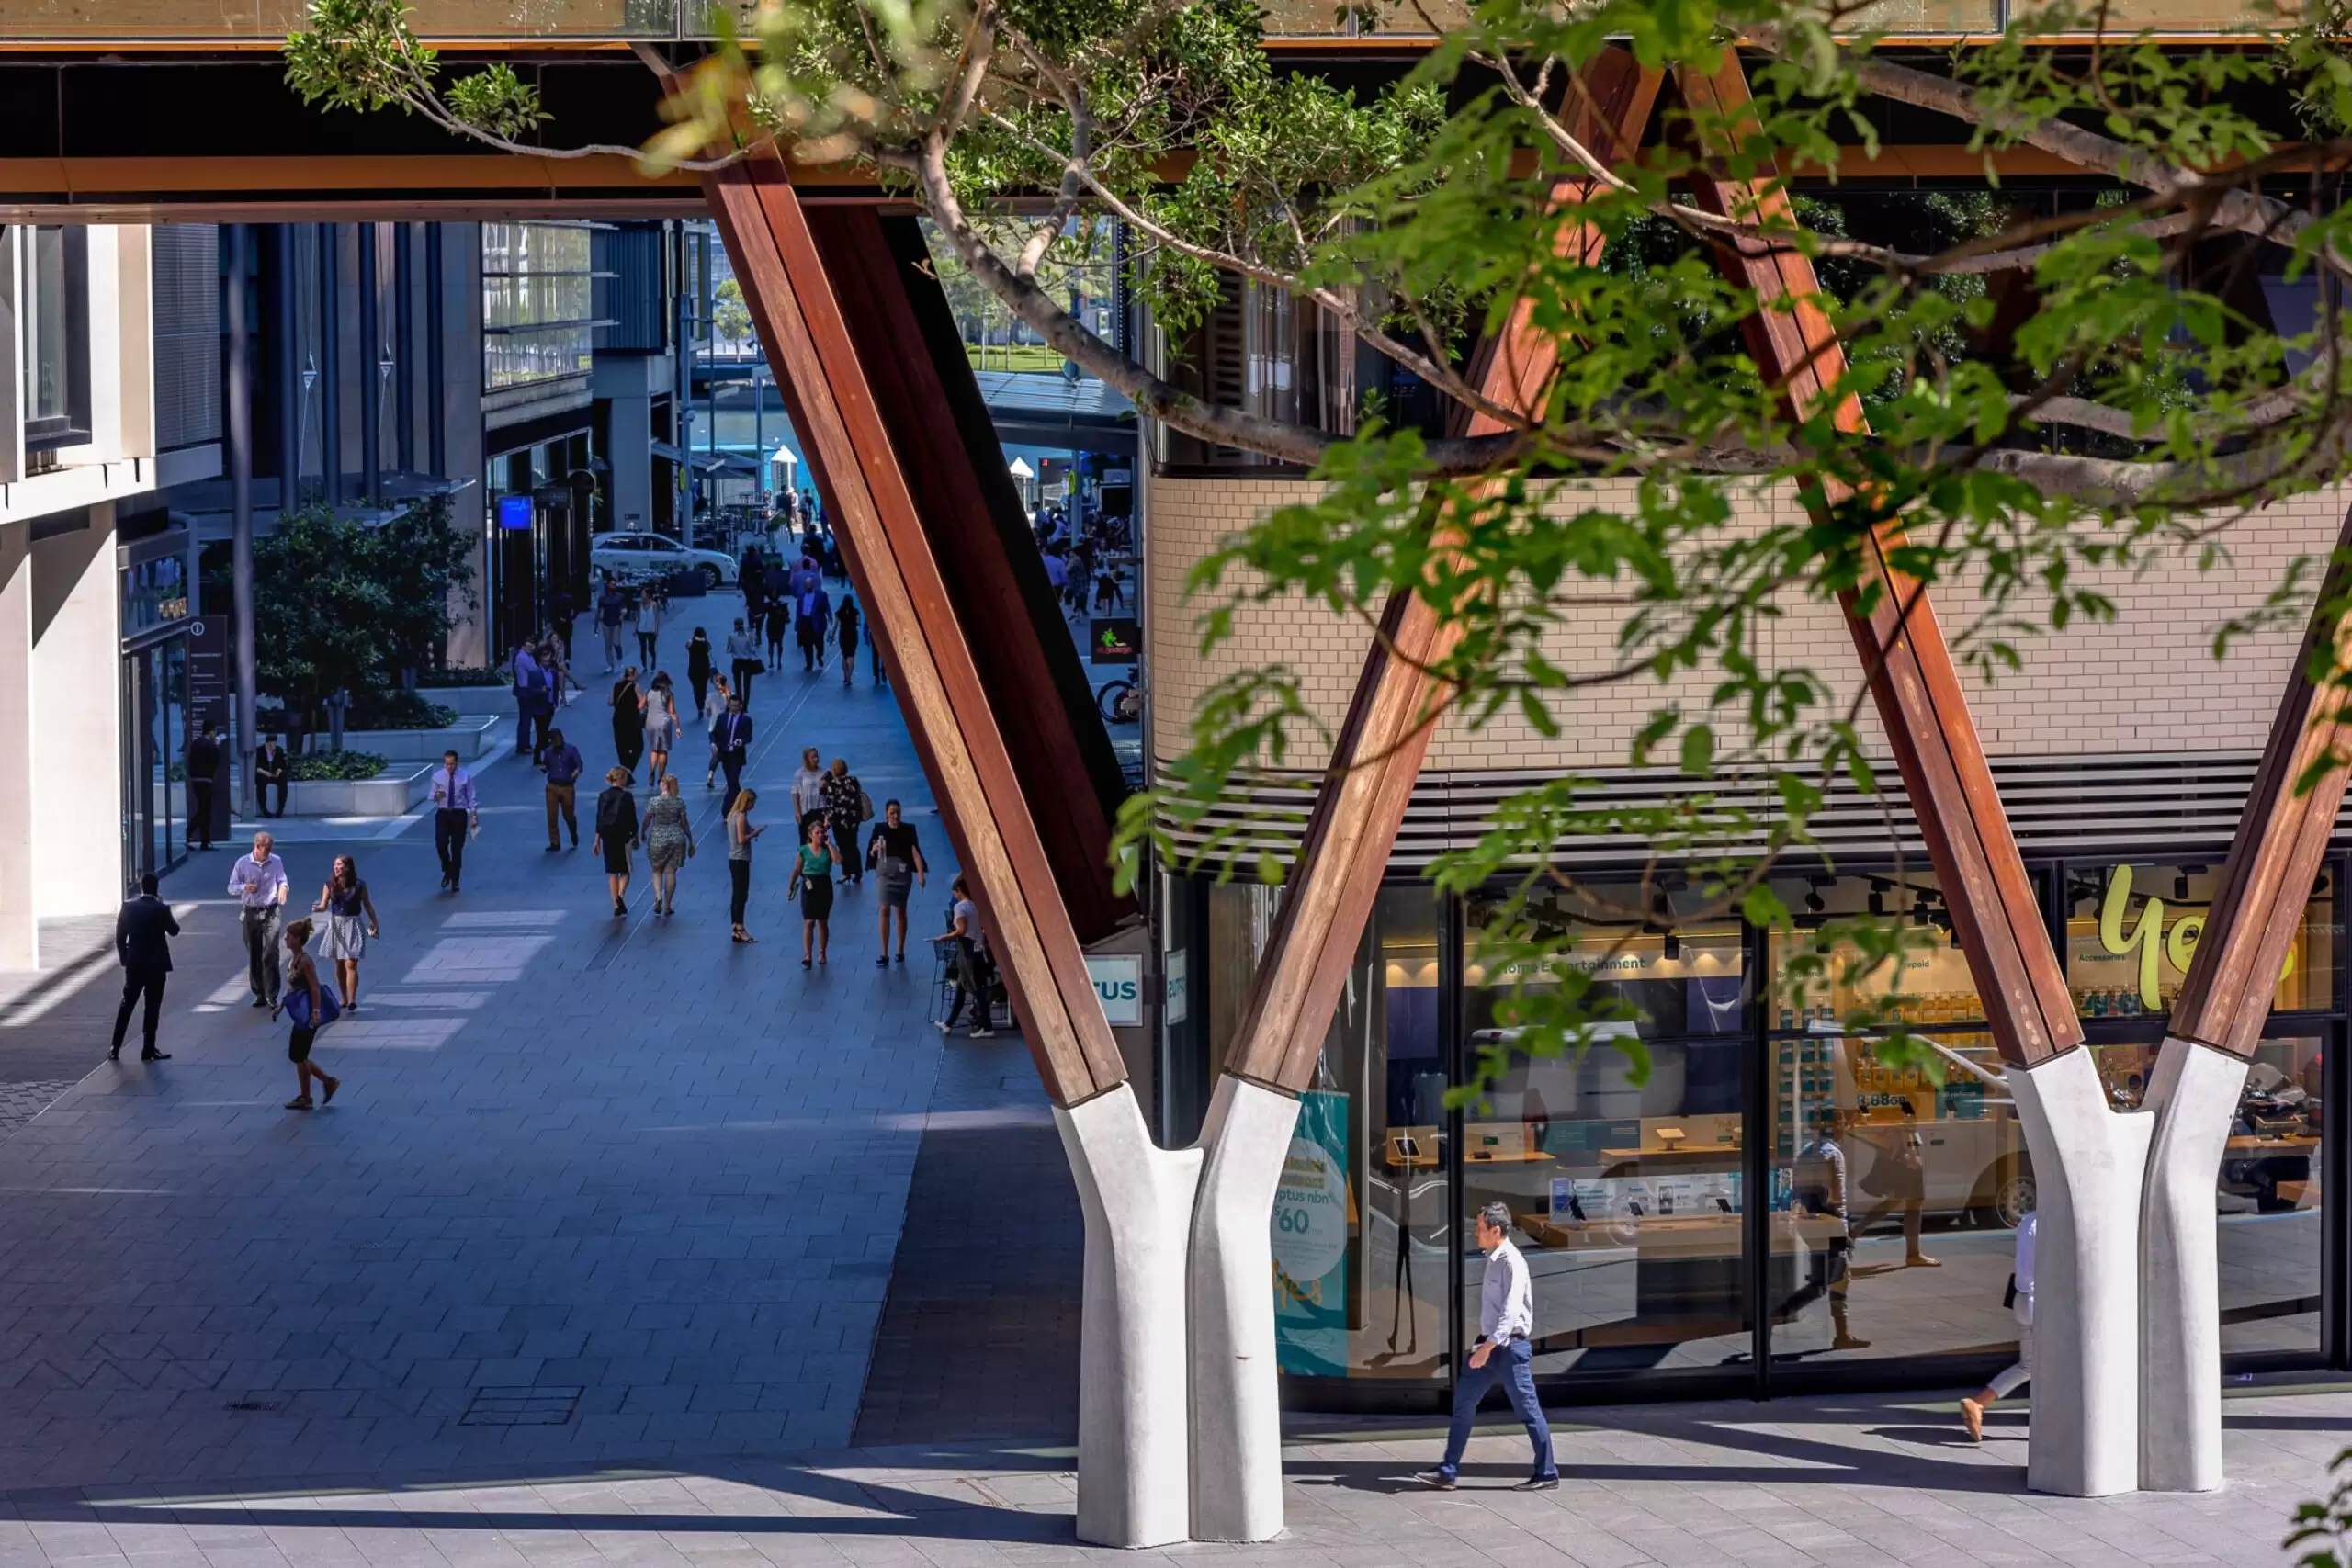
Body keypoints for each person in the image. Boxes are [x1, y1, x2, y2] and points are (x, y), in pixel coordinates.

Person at [1418, 1202, 1558, 1491]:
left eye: (1479, 1228)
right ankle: (1448, 1470)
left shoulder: (1512, 1262)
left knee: (1528, 1411)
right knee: (1463, 1404)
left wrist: (1486, 1348)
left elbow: (1510, 1313)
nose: (1475, 1233)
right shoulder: (1493, 1258)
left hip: (1509, 1348)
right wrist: (1484, 1346)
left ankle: (1547, 1473)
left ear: (1496, 1231)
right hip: (1489, 1345)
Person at [1791, 1104, 1870, 1351]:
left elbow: (1797, 1189)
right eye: (1841, 1122)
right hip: (1832, 1223)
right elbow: (1834, 1196)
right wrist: (1843, 1230)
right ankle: (1776, 1315)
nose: (1844, 1127)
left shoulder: (1804, 1153)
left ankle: (1842, 1333)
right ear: (1833, 1126)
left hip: (1810, 1223)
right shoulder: (1833, 1155)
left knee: (1829, 1278)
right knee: (1832, 1280)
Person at [1961, 1208, 2037, 1442]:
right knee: (2065, 1366)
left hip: (2023, 1297)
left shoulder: (2030, 1220)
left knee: (2030, 1366)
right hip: (2042, 1303)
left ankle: (1978, 1403)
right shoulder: (2056, 1222)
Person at [1853, 1102, 1939, 1269]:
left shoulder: (1895, 1107)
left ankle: (1854, 1233)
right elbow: (1905, 1131)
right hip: (1904, 1159)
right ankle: (1913, 1254)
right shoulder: (1902, 1105)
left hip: (1899, 1156)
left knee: (1899, 1201)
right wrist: (1913, 1154)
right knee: (1911, 1202)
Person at [274, 918, 341, 1111]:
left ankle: (311, 1093)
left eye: (289, 936)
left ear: (297, 939)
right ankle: (321, 1086)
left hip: (308, 1016)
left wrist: (316, 1012)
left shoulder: (305, 961)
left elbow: (314, 989)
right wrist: (281, 1006)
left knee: (299, 1055)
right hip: (301, 1014)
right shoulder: (293, 960)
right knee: (298, 1055)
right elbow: (292, 987)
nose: (285, 938)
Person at [110, 872, 178, 1063]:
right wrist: (164, 906)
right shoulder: (161, 909)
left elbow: (120, 938)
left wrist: (126, 959)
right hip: (156, 966)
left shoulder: (128, 908)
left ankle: (114, 1047)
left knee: (127, 1005)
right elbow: (174, 931)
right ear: (156, 889)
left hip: (135, 965)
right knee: (152, 1007)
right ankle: (148, 1049)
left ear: (141, 888)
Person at [311, 853, 379, 1012]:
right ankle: (343, 996)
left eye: (340, 865)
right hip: (337, 923)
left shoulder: (360, 886)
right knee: (340, 962)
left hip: (353, 923)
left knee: (352, 962)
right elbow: (323, 904)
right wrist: (318, 908)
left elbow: (368, 905)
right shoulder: (329, 885)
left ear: (348, 868)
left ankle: (352, 999)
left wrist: (375, 922)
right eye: (335, 865)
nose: (336, 868)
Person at [228, 830, 288, 1008]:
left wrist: (283, 888)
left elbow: (282, 879)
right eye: (266, 849)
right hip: (251, 912)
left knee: (271, 952)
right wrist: (244, 887)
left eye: (270, 849)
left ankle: (272, 994)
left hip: (271, 911)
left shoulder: (276, 861)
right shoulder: (243, 863)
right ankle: (259, 993)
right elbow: (231, 886)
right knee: (254, 952)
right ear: (257, 847)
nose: (268, 853)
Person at [865, 800, 927, 965]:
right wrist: (874, 850)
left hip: (902, 875)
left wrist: (920, 874)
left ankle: (900, 949)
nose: (895, 816)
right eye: (892, 812)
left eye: (898, 812)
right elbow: (871, 851)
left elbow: (915, 853)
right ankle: (884, 952)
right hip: (884, 874)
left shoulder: (908, 830)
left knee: (900, 911)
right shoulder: (880, 830)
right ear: (886, 813)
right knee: (884, 909)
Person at [931, 877, 992, 1037]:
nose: (955, 896)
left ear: (959, 890)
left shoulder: (960, 908)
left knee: (977, 990)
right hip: (978, 951)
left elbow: (962, 930)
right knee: (961, 987)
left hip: (968, 953)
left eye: (955, 893)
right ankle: (948, 1023)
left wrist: (945, 937)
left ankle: (987, 1027)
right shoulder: (974, 905)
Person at [642, 773, 696, 918]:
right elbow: (684, 823)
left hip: (658, 837)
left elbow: (647, 819)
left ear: (665, 786)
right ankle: (668, 905)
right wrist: (690, 839)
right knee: (671, 872)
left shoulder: (654, 802)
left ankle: (658, 897)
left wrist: (642, 832)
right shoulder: (679, 802)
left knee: (656, 870)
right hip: (676, 837)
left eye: (661, 783)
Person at [593, 765, 640, 918]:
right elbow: (633, 819)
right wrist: (635, 836)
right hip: (623, 835)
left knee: (612, 870)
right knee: (625, 870)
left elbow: (599, 818)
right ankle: (620, 894)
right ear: (621, 778)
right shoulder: (626, 796)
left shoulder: (603, 795)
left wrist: (596, 840)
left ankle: (615, 904)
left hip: (607, 835)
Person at [428, 750, 478, 892]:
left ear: (457, 763)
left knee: (457, 848)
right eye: (447, 764)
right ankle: (447, 867)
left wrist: (474, 815)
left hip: (459, 814)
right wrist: (439, 794)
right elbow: (432, 796)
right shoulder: (438, 777)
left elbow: (471, 796)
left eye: (452, 764)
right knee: (441, 843)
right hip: (443, 813)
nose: (449, 767)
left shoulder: (465, 777)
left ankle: (455, 879)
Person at [790, 818, 835, 967]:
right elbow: (797, 869)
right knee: (809, 921)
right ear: (810, 835)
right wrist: (791, 885)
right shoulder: (803, 850)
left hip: (824, 885)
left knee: (822, 921)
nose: (820, 835)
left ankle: (822, 951)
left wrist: (830, 846)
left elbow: (839, 861)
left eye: (822, 832)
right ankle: (807, 954)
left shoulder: (828, 849)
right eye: (817, 833)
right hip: (809, 885)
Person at [727, 786, 765, 944]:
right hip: (740, 858)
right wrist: (755, 834)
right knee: (742, 894)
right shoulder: (741, 816)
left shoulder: (732, 816)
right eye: (752, 803)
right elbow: (742, 839)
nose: (753, 806)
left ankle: (735, 926)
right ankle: (740, 928)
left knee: (737, 894)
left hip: (733, 858)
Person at [822, 758, 866, 883]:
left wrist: (827, 821)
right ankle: (857, 872)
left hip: (838, 821)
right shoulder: (853, 781)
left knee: (842, 847)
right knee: (853, 845)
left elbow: (830, 804)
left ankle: (846, 872)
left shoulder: (832, 785)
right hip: (852, 819)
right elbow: (858, 797)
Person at [542, 727, 585, 851]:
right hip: (552, 785)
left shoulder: (571, 750)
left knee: (569, 814)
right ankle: (555, 842)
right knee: (552, 815)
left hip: (567, 786)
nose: (555, 742)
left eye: (556, 739)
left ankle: (573, 832)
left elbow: (579, 765)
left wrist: (575, 773)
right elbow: (546, 765)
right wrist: (544, 768)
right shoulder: (548, 752)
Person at [714, 694, 753, 814]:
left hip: (737, 755)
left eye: (736, 706)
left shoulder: (746, 720)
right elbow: (715, 733)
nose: (734, 708)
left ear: (740, 706)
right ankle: (743, 804)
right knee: (733, 784)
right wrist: (714, 744)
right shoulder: (722, 718)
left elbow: (748, 737)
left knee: (732, 781)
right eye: (732, 705)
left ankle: (726, 810)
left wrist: (741, 741)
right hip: (725, 754)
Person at [186, 723, 220, 851]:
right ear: (211, 732)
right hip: (206, 780)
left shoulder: (195, 744)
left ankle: (201, 838)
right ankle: (195, 835)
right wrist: (217, 747)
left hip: (196, 780)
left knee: (203, 809)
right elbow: (216, 761)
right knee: (205, 810)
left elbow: (189, 761)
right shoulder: (211, 746)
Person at [513, 640, 548, 761]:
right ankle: (523, 745)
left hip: (527, 690)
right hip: (525, 691)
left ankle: (524, 744)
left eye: (532, 645)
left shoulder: (528, 656)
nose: (531, 647)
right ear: (523, 645)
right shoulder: (522, 657)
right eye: (529, 645)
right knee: (525, 718)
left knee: (526, 718)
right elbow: (532, 670)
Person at [644, 671, 681, 785]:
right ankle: (660, 777)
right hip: (664, 723)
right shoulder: (668, 694)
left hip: (650, 722)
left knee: (654, 749)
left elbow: (642, 705)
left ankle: (652, 771)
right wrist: (678, 727)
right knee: (663, 751)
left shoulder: (649, 692)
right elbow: (672, 712)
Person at [611, 667, 646, 776]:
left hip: (618, 720)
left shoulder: (616, 685)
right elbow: (642, 703)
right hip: (632, 720)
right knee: (638, 747)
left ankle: (624, 772)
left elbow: (610, 701)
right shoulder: (635, 687)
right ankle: (628, 771)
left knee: (622, 748)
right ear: (633, 675)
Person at [790, 747, 828, 842]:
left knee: (821, 839)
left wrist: (826, 786)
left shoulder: (825, 772)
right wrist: (797, 811)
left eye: (817, 756)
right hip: (806, 810)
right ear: (806, 759)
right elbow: (795, 792)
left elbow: (832, 792)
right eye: (813, 757)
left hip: (821, 809)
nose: (816, 759)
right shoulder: (799, 773)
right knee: (805, 840)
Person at [702, 673, 732, 788]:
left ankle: (710, 774)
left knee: (716, 753)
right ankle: (729, 777)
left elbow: (708, 714)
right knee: (726, 753)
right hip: (726, 728)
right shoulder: (730, 696)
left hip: (713, 728)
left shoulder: (709, 696)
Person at [726, 618, 763, 709]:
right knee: (747, 684)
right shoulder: (748, 636)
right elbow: (753, 649)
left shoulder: (731, 636)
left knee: (737, 684)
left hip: (737, 661)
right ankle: (745, 705)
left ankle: (739, 703)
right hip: (747, 662)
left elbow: (728, 650)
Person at [253, 734, 290, 818]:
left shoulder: (279, 750)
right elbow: (256, 768)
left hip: (274, 774)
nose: (274, 745)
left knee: (283, 779)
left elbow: (283, 765)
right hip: (264, 773)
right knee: (261, 781)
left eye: (275, 743)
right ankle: (264, 809)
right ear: (267, 743)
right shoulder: (259, 751)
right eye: (272, 743)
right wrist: (266, 773)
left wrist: (278, 771)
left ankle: (280, 809)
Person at [797, 579, 831, 671]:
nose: (808, 586)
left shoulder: (821, 595)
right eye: (807, 584)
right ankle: (809, 664)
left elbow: (826, 607)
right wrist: (798, 624)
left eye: (810, 584)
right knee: (807, 644)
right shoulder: (801, 595)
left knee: (819, 642)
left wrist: (830, 618)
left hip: (816, 622)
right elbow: (798, 610)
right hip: (805, 621)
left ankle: (819, 655)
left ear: (813, 585)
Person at [597, 577, 628, 671]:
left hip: (616, 622)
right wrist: (597, 624)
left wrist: (622, 615)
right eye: (611, 584)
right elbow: (600, 611)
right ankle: (610, 664)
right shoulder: (602, 599)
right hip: (606, 622)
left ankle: (620, 660)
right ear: (607, 585)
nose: (613, 586)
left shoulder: (620, 597)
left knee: (616, 642)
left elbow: (624, 608)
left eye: (614, 584)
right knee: (608, 644)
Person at [685, 626, 716, 718]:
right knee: (703, 687)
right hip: (704, 670)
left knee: (696, 688)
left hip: (693, 669)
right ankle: (702, 703)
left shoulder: (691, 643)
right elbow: (710, 649)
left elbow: (687, 646)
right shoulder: (705, 643)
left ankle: (699, 707)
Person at [635, 583, 664, 669]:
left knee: (651, 648)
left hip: (651, 629)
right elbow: (638, 617)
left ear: (648, 595)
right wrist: (635, 628)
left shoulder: (654, 604)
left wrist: (656, 629)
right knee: (642, 648)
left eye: (643, 593)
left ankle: (653, 659)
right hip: (641, 629)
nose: (641, 595)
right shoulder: (640, 605)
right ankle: (644, 666)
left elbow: (656, 618)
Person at [835, 596, 862, 688]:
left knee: (844, 655)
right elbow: (859, 622)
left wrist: (831, 637)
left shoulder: (839, 612)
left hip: (843, 634)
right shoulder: (856, 611)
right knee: (851, 656)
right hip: (852, 635)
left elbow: (836, 625)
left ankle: (845, 675)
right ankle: (848, 678)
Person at [765, 596, 789, 671]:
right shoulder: (768, 605)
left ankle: (778, 661)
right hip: (772, 626)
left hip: (778, 626)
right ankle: (772, 660)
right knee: (772, 643)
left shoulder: (782, 604)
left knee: (777, 643)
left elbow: (787, 613)